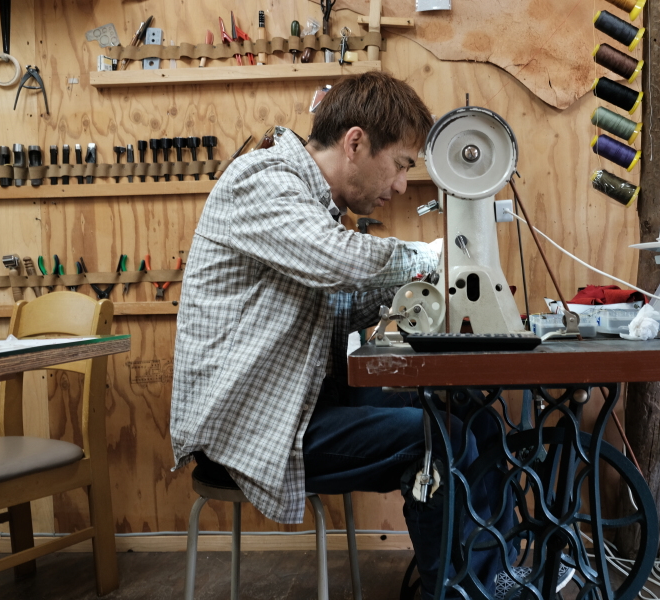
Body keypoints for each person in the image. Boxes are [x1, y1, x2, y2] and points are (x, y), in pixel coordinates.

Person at [170, 72, 552, 599]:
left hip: (302, 404)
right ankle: (463, 591)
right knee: (439, 440)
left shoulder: (313, 206)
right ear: (355, 143)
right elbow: (335, 261)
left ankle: (495, 572)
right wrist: (432, 258)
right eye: (401, 165)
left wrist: (428, 290)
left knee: (473, 414)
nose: (401, 185)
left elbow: (344, 302)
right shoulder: (261, 179)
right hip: (249, 427)